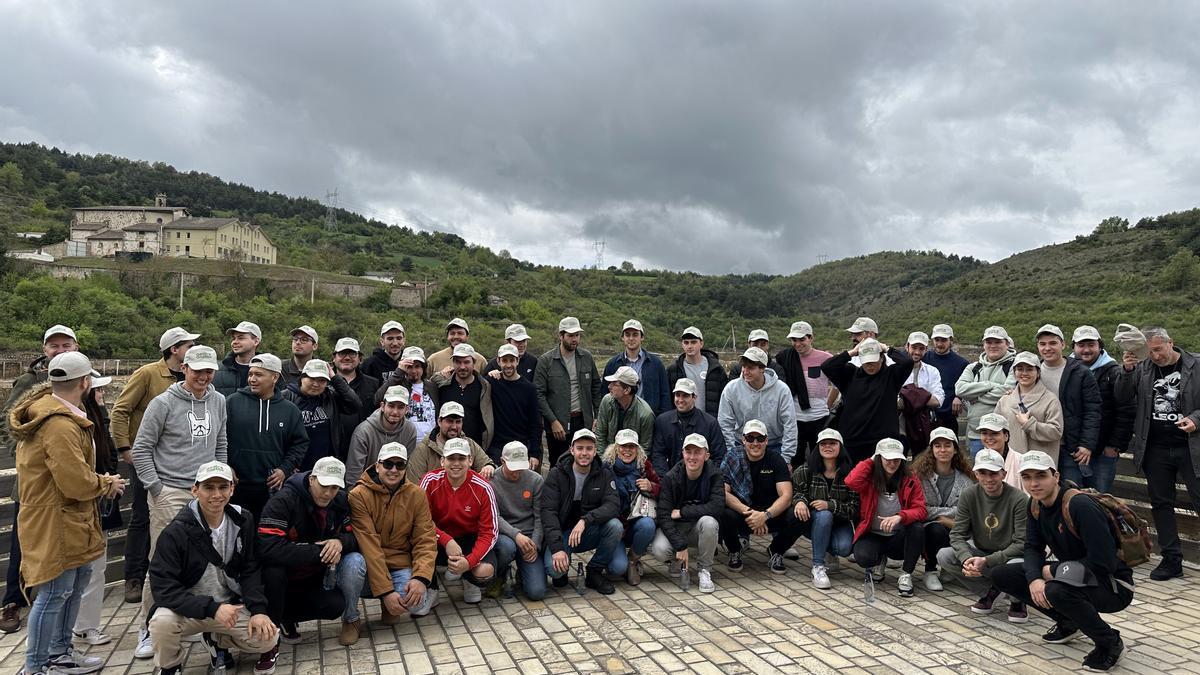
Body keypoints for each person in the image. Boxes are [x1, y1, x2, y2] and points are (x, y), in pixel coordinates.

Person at [10, 351, 125, 675]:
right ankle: (36, 665)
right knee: (54, 592)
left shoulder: (57, 414)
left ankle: (59, 654)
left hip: (69, 518)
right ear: (84, 383)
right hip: (56, 519)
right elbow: (74, 481)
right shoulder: (59, 424)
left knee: (72, 586)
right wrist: (106, 483)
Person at [131, 345, 229, 660]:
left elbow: (221, 441)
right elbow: (142, 447)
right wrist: (156, 488)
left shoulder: (219, 400)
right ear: (184, 367)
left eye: (208, 370)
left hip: (206, 490)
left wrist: (221, 480)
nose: (203, 376)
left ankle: (197, 623)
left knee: (207, 559)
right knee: (162, 560)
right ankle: (149, 626)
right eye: (197, 369)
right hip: (170, 489)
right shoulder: (162, 403)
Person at [992, 451, 1133, 671]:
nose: (1033, 483)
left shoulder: (1080, 506)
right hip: (1076, 576)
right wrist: (1035, 579)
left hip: (1113, 585)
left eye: (1040, 476)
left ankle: (1109, 642)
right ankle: (1069, 621)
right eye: (1027, 477)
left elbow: (1103, 563)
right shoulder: (1036, 505)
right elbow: (1032, 548)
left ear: (1055, 476)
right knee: (1003, 574)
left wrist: (1051, 572)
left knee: (1057, 591)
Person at [146, 461, 278, 675]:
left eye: (223, 487)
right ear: (195, 490)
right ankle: (170, 666)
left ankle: (216, 640)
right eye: (209, 487)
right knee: (161, 623)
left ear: (232, 489)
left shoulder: (244, 519)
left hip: (230, 606)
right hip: (189, 609)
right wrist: (212, 609)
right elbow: (163, 589)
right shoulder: (175, 532)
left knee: (268, 638)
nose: (217, 494)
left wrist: (258, 610)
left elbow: (250, 568)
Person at [110, 326, 198, 605]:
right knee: (141, 517)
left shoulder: (192, 377)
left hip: (177, 461)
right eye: (188, 345)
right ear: (175, 349)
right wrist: (125, 449)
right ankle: (134, 576)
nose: (193, 349)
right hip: (146, 458)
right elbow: (121, 410)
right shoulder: (148, 374)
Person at [1, 324, 80, 635]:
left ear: (76, 347)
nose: (59, 351)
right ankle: (12, 602)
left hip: (74, 482)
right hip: (36, 484)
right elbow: (9, 425)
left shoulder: (83, 380)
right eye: (54, 346)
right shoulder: (29, 382)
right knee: (24, 544)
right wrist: (34, 456)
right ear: (45, 351)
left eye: (65, 345)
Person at [1114, 326, 1200, 581]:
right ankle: (1172, 560)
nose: (1154, 356)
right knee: (1161, 504)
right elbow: (1122, 397)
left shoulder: (1196, 365)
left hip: (1191, 447)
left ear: (1170, 343)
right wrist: (1126, 371)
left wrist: (1196, 419)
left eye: (1158, 350)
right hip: (1156, 448)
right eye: (1149, 351)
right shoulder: (1142, 368)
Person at [257, 457, 362, 646]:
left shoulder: (340, 501)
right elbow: (267, 547)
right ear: (312, 479)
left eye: (334, 487)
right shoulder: (283, 500)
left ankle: (285, 616)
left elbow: (356, 537)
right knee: (273, 572)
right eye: (324, 485)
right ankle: (270, 635)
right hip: (281, 579)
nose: (328, 493)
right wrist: (319, 551)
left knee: (335, 605)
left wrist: (339, 542)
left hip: (312, 576)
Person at [345, 443, 440, 624]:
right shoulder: (358, 495)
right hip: (367, 563)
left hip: (399, 562)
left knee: (417, 603)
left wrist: (421, 578)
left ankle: (391, 605)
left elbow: (425, 539)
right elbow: (369, 546)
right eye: (388, 464)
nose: (394, 470)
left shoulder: (417, 494)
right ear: (377, 465)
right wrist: (386, 591)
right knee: (352, 565)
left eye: (400, 465)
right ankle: (350, 619)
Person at [936, 448, 1028, 622]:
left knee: (1018, 565)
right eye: (983, 473)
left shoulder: (1019, 499)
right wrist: (966, 559)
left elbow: (1021, 543)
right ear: (976, 474)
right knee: (945, 555)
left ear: (1004, 474)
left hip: (1010, 556)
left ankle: (1018, 599)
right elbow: (957, 534)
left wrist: (987, 561)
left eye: (993, 473)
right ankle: (990, 592)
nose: (988, 479)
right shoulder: (969, 494)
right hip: (982, 552)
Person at [225, 354, 309, 518]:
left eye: (258, 375)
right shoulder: (232, 403)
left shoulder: (290, 410)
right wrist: (226, 465)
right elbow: (219, 438)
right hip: (236, 485)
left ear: (275, 377)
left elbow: (300, 444)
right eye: (250, 374)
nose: (252, 379)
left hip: (270, 488)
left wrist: (285, 469)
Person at [71, 372, 120, 647]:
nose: (102, 396)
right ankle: (80, 626)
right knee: (83, 567)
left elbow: (107, 453)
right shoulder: (77, 423)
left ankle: (86, 625)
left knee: (96, 564)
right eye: (98, 391)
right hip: (87, 498)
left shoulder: (98, 418)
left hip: (102, 496)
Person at [542, 429, 622, 595]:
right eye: (580, 448)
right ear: (572, 450)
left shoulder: (605, 473)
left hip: (587, 530)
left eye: (589, 448)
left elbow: (613, 505)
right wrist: (557, 549)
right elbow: (548, 513)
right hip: (563, 533)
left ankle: (594, 572)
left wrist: (585, 520)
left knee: (615, 526)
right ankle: (562, 569)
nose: (584, 453)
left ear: (595, 451)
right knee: (555, 570)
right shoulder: (556, 474)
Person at [420, 438, 499, 605]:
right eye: (451, 458)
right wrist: (446, 540)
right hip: (437, 539)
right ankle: (431, 589)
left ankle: (468, 580)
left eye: (461, 458)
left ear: (470, 460)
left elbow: (489, 532)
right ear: (442, 461)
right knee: (415, 540)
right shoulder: (429, 481)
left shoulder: (483, 487)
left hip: (469, 539)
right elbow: (420, 521)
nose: (456, 463)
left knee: (485, 571)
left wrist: (469, 562)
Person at [846, 438, 928, 597]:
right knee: (863, 557)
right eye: (887, 458)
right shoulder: (869, 476)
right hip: (873, 533)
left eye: (896, 459)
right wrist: (871, 461)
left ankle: (906, 574)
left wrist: (900, 517)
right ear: (879, 458)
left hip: (898, 535)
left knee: (917, 528)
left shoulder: (910, 478)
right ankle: (879, 561)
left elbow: (921, 509)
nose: (892, 463)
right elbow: (851, 482)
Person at [719, 420, 801, 574]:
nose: (755, 443)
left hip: (771, 515)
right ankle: (734, 551)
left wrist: (765, 516)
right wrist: (751, 513)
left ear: (767, 441)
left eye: (760, 439)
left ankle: (776, 550)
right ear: (743, 440)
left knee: (798, 515)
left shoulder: (776, 459)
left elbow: (787, 496)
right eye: (750, 438)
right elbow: (723, 492)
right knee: (722, 511)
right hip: (745, 514)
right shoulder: (732, 457)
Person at [650, 434, 724, 593]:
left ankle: (705, 570)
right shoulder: (671, 477)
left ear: (706, 455)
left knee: (710, 523)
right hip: (677, 528)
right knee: (659, 549)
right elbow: (664, 514)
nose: (692, 457)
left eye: (697, 452)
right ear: (682, 454)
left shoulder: (715, 474)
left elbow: (717, 506)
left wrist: (683, 512)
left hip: (698, 527)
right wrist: (680, 545)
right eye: (688, 452)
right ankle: (676, 561)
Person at [822, 338, 915, 462]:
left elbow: (907, 362)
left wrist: (886, 348)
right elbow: (827, 366)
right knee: (854, 478)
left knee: (881, 479)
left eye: (874, 361)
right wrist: (853, 352)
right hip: (853, 439)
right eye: (866, 362)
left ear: (881, 358)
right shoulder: (850, 375)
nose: (870, 366)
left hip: (883, 440)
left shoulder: (891, 376)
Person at [1035, 324, 1102, 490]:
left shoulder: (1081, 372)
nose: (1047, 348)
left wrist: (1086, 444)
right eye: (1043, 344)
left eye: (1052, 343)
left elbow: (1093, 410)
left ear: (1063, 345)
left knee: (1071, 492)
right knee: (1042, 492)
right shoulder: (1033, 371)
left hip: (1070, 448)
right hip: (1041, 444)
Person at [790, 428, 859, 590]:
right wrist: (799, 501)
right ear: (818, 447)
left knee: (845, 548)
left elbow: (855, 508)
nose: (828, 446)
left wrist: (830, 505)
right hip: (814, 521)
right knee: (824, 515)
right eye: (823, 444)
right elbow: (793, 491)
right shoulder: (805, 471)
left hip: (840, 522)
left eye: (832, 443)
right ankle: (818, 566)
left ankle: (830, 552)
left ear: (840, 446)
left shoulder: (851, 474)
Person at [910, 427, 976, 592]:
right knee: (936, 529)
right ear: (931, 450)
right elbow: (921, 508)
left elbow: (967, 510)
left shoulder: (966, 479)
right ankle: (930, 570)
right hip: (929, 526)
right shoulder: (921, 476)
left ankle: (949, 566)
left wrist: (944, 517)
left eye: (947, 445)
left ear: (955, 450)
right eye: (937, 446)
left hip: (957, 526)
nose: (943, 450)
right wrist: (945, 517)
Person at [1070, 326, 1133, 494]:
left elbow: (1126, 409)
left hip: (1103, 450)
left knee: (1101, 499)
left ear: (1100, 346)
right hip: (1072, 449)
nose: (1086, 350)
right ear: (1073, 347)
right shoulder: (1066, 370)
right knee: (1073, 499)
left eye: (1091, 345)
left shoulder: (1113, 372)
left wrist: (1114, 445)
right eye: (1081, 345)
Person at [535, 317, 603, 466]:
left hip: (582, 421)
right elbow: (539, 394)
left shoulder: (586, 357)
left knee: (583, 462)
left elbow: (596, 387)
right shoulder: (546, 361)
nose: (575, 339)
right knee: (558, 464)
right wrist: (553, 421)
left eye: (577, 335)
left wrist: (597, 415)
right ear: (561, 336)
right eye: (571, 335)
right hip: (558, 423)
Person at [718, 347, 798, 465]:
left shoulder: (782, 390)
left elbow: (790, 424)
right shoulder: (731, 388)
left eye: (751, 368)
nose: (745, 371)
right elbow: (724, 423)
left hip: (773, 444)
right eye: (744, 367)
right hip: (742, 443)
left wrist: (786, 458)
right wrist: (732, 452)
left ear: (762, 368)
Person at [601, 430, 661, 585]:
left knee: (648, 524)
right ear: (616, 447)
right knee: (616, 569)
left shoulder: (644, 465)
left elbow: (663, 490)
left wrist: (651, 486)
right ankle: (611, 558)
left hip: (635, 522)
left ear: (637, 448)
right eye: (623, 446)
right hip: (614, 527)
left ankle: (633, 561)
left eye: (631, 446)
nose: (627, 450)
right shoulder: (606, 468)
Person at [489, 442, 546, 600]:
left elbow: (539, 516)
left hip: (529, 535)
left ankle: (523, 572)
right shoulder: (492, 480)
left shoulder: (536, 480)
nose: (517, 473)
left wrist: (535, 543)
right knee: (506, 548)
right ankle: (499, 575)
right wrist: (516, 535)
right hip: (505, 534)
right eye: (513, 468)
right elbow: (494, 516)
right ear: (502, 461)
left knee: (537, 592)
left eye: (521, 467)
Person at [282, 359, 362, 471]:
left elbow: (355, 405)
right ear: (302, 378)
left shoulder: (329, 397)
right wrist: (287, 465)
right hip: (295, 467)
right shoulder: (285, 397)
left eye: (322, 380)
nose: (316, 384)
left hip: (326, 466)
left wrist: (335, 378)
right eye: (312, 379)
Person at [776, 321, 837, 464]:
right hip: (794, 417)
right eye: (794, 340)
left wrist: (827, 404)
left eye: (802, 339)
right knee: (795, 457)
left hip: (819, 417)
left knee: (820, 459)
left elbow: (836, 385)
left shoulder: (825, 358)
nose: (798, 344)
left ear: (811, 338)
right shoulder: (785, 358)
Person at [955, 326, 1017, 457]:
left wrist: (975, 397)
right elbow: (960, 389)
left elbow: (1007, 391)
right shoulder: (973, 367)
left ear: (1006, 344)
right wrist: (989, 385)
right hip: (976, 435)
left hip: (1004, 437)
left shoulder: (1014, 366)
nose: (993, 346)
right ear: (984, 345)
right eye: (989, 342)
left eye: (998, 342)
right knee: (980, 476)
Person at [994, 352, 1064, 458]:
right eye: (1020, 369)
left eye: (1030, 369)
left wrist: (1029, 424)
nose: (1024, 373)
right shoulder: (1005, 400)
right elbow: (996, 429)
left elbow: (1056, 431)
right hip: (1011, 462)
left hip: (1039, 464)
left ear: (1038, 372)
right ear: (1014, 372)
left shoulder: (1050, 400)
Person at [650, 378, 726, 475]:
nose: (680, 400)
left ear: (694, 397)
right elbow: (658, 454)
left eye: (685, 396)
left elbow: (719, 456)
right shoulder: (662, 421)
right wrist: (666, 479)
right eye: (677, 395)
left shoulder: (710, 423)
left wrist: (706, 478)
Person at [406, 401, 496, 483]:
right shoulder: (423, 449)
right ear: (439, 421)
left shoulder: (470, 445)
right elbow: (415, 484)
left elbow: (486, 463)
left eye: (458, 422)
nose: (454, 426)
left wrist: (489, 467)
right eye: (449, 421)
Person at [345, 385, 420, 482]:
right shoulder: (363, 432)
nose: (395, 412)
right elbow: (354, 472)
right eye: (391, 406)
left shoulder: (410, 430)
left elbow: (408, 467)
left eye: (400, 407)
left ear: (407, 409)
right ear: (382, 406)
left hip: (396, 485)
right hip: (367, 486)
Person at [485, 344, 542, 468]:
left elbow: (535, 423)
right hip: (496, 447)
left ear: (517, 361)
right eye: (505, 360)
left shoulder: (529, 388)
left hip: (521, 446)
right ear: (498, 361)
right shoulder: (492, 382)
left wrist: (534, 453)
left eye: (512, 360)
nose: (509, 365)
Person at [602, 319, 671, 415]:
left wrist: (664, 418)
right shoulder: (613, 364)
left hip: (649, 418)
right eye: (627, 335)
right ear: (622, 337)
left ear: (642, 337)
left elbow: (664, 393)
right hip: (620, 417)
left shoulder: (656, 364)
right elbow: (605, 391)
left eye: (635, 334)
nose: (631, 338)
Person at [433, 344, 494, 448]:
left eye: (466, 362)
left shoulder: (484, 386)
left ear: (474, 362)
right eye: (458, 362)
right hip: (444, 447)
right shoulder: (442, 384)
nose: (462, 366)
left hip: (474, 446)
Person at [374, 346, 440, 442]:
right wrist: (398, 373)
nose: (413, 371)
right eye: (409, 367)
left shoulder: (432, 387)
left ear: (423, 367)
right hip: (404, 440)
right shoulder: (396, 385)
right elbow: (377, 399)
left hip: (429, 442)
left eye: (417, 366)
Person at [331, 337, 381, 461]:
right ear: (334, 357)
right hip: (330, 450)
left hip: (364, 450)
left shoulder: (373, 384)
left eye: (352, 354)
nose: (347, 358)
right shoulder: (323, 383)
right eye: (342, 353)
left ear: (360, 358)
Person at [666, 326, 727, 416]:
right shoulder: (673, 370)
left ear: (701, 343)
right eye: (686, 342)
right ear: (682, 345)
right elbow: (668, 399)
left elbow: (724, 398)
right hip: (682, 422)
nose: (689, 346)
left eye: (693, 342)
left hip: (709, 421)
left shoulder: (715, 369)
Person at [899, 332, 945, 453]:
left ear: (926, 349)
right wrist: (923, 396)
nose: (917, 352)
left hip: (924, 424)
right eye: (914, 348)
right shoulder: (896, 369)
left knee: (921, 461)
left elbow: (938, 400)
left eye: (921, 348)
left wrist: (908, 395)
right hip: (899, 423)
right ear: (907, 347)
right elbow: (893, 402)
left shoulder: (932, 371)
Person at [595, 366, 655, 453]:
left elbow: (645, 448)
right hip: (608, 456)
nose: (609, 386)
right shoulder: (606, 401)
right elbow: (600, 435)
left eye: (614, 384)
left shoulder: (645, 414)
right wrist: (604, 462)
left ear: (627, 390)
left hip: (632, 459)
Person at [924, 324, 970, 434]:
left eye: (943, 340)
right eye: (937, 340)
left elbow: (967, 384)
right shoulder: (924, 358)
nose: (939, 344)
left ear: (951, 341)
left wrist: (959, 397)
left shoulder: (962, 363)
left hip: (948, 417)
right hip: (924, 416)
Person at [976, 413, 1026, 493]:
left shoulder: (1021, 461)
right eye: (984, 433)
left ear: (1006, 436)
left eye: (994, 433)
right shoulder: (978, 461)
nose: (989, 438)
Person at [213, 320, 262, 396]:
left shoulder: (267, 371)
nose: (235, 342)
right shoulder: (216, 370)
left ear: (256, 341)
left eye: (241, 338)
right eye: (233, 338)